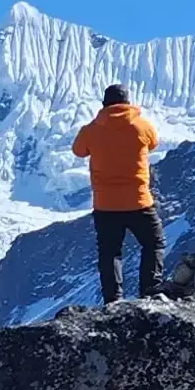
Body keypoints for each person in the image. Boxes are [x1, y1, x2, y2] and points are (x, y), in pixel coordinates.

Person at [71, 85, 162, 302]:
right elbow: (153, 144)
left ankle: (113, 299)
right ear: (128, 102)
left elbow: (78, 150)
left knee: (110, 252)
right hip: (139, 201)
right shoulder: (141, 126)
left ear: (104, 105)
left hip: (106, 205)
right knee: (153, 243)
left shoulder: (91, 130)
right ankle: (150, 290)